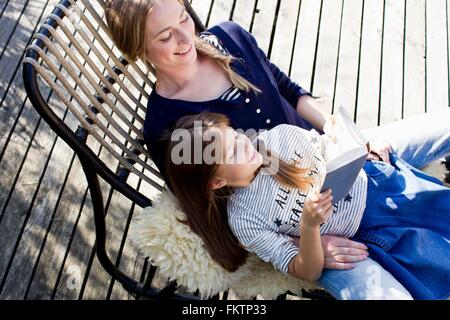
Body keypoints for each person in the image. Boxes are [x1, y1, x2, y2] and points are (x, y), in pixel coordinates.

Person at [105, 0, 450, 299]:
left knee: (440, 126)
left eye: (183, 17)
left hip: (330, 157)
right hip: (301, 225)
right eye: (165, 36)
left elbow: (289, 90)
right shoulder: (167, 127)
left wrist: (340, 132)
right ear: (139, 50)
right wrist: (308, 240)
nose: (185, 37)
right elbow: (211, 198)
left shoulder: (229, 37)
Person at [161, 111, 450, 300]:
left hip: (378, 183)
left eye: (236, 135)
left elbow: (330, 147)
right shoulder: (245, 221)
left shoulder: (278, 137)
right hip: (366, 231)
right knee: (434, 255)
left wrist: (357, 144)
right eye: (234, 151)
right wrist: (309, 227)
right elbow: (306, 271)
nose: (245, 144)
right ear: (216, 182)